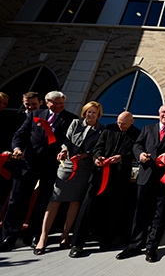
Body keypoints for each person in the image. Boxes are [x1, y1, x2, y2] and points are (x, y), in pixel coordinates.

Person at [0, 91, 77, 252]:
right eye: (54, 103)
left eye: (61, 104)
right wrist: (17, 148)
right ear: (47, 102)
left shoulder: (70, 119)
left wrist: (64, 149)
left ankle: (35, 235)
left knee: (43, 202)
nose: (57, 106)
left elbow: (69, 141)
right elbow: (20, 135)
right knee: (17, 200)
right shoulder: (35, 114)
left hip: (50, 166)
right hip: (27, 163)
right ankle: (9, 236)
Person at [116, 104, 165, 263]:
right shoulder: (147, 128)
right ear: (159, 113)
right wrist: (139, 154)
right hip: (146, 176)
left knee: (160, 214)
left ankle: (151, 248)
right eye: (163, 111)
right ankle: (135, 245)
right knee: (140, 212)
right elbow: (137, 145)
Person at [34, 101, 104, 255]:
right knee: (55, 199)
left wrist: (85, 155)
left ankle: (65, 236)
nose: (91, 115)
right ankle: (43, 238)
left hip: (84, 168)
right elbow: (67, 140)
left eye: (94, 112)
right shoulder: (75, 123)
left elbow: (96, 148)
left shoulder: (101, 129)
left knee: (75, 200)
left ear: (98, 114)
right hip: (66, 165)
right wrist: (64, 150)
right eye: (89, 112)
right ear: (84, 112)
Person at [68, 111, 140, 258]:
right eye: (119, 122)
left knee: (113, 209)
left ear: (131, 122)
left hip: (119, 178)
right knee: (88, 206)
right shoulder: (109, 129)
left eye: (124, 124)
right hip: (100, 175)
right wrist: (97, 157)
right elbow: (98, 147)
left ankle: (106, 240)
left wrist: (122, 158)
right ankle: (77, 244)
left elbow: (135, 154)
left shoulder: (137, 134)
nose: (120, 126)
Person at [0, 92, 43, 214]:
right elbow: (7, 137)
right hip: (11, 161)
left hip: (31, 163)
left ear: (41, 103)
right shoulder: (13, 118)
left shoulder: (45, 119)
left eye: (33, 104)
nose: (30, 107)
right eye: (27, 104)